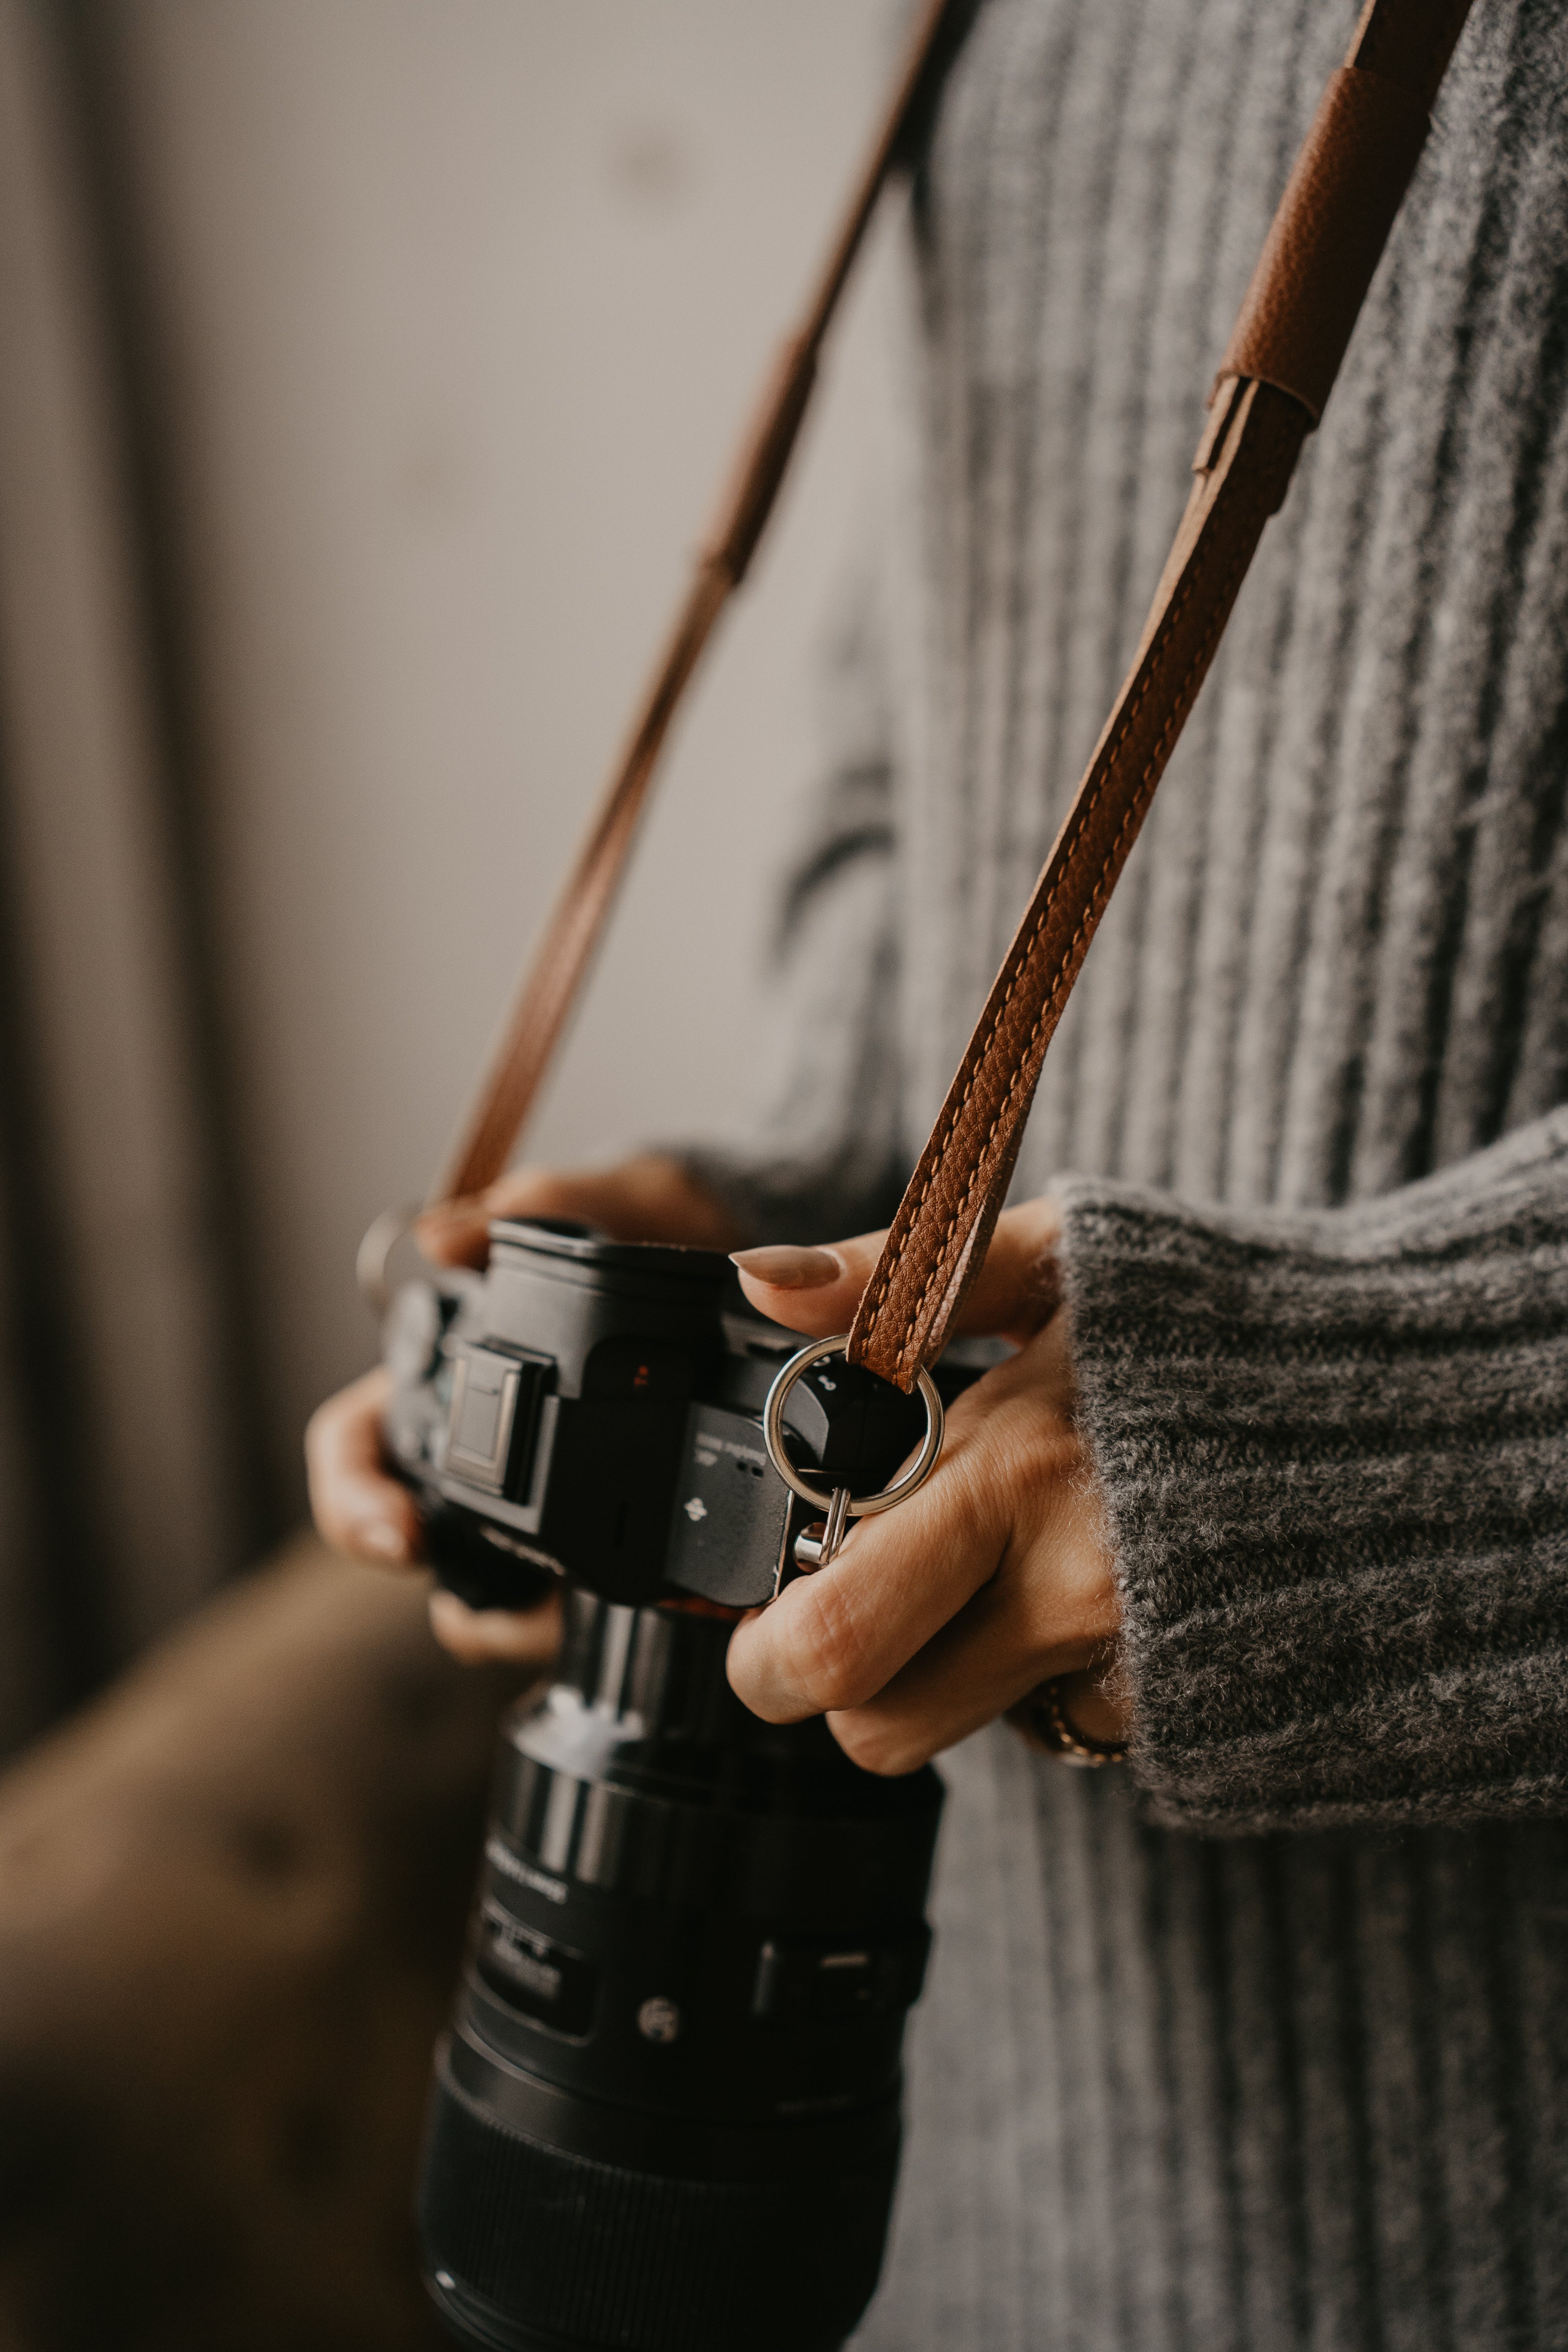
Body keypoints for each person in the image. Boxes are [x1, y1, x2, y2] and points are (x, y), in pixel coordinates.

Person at [309, 1, 1568, 2343]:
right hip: (956, 2119)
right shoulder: (999, 25)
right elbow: (931, 843)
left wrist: (1345, 1438)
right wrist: (752, 1223)